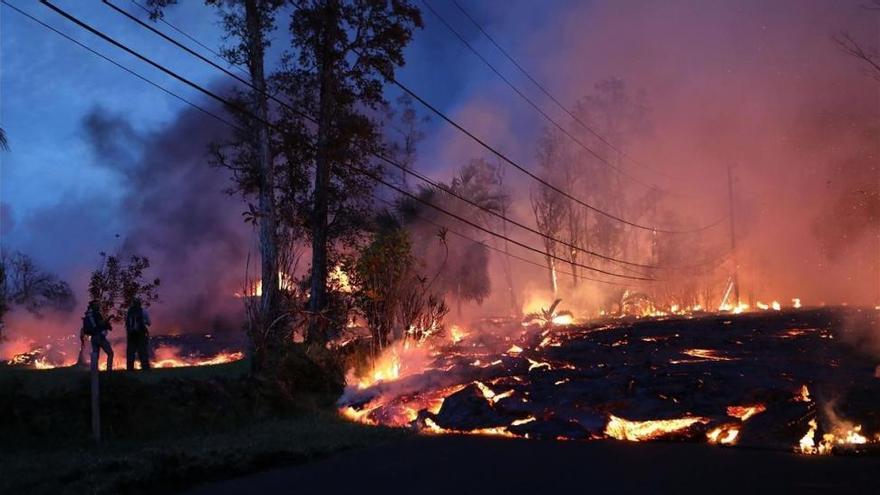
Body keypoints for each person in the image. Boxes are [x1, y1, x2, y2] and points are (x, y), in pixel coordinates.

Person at [82, 300, 113, 371]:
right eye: (97, 305)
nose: (98, 306)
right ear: (93, 306)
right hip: (99, 336)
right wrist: (109, 318)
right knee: (110, 353)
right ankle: (109, 370)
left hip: (93, 337)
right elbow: (101, 324)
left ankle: (94, 370)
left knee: (95, 355)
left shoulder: (89, 315)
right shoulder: (97, 314)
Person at [125, 298, 151, 370]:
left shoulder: (129, 311)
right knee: (142, 352)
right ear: (140, 303)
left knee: (130, 353)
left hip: (131, 335)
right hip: (140, 335)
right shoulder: (143, 311)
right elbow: (149, 323)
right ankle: (145, 368)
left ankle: (130, 369)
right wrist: (144, 322)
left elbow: (127, 324)